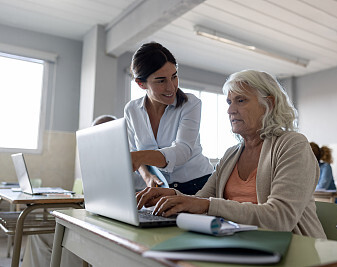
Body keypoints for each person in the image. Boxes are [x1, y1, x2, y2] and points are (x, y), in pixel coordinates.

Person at [136, 70, 326, 238]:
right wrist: (172, 196)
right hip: (240, 243)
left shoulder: (292, 145)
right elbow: (202, 201)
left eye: (241, 100)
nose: (230, 110)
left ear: (269, 103)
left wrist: (207, 205)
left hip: (293, 248)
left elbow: (280, 218)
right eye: (229, 102)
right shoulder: (232, 154)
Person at [22, 115, 117, 267]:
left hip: (105, 227)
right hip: (89, 219)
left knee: (67, 243)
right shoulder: (97, 161)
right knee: (37, 234)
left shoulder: (129, 161)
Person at [124, 42, 214, 194]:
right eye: (161, 80)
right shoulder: (132, 110)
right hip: (162, 187)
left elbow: (182, 151)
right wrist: (148, 177)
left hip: (198, 184)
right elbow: (135, 154)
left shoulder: (191, 104)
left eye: (174, 77)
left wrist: (139, 156)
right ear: (141, 84)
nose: (171, 87)